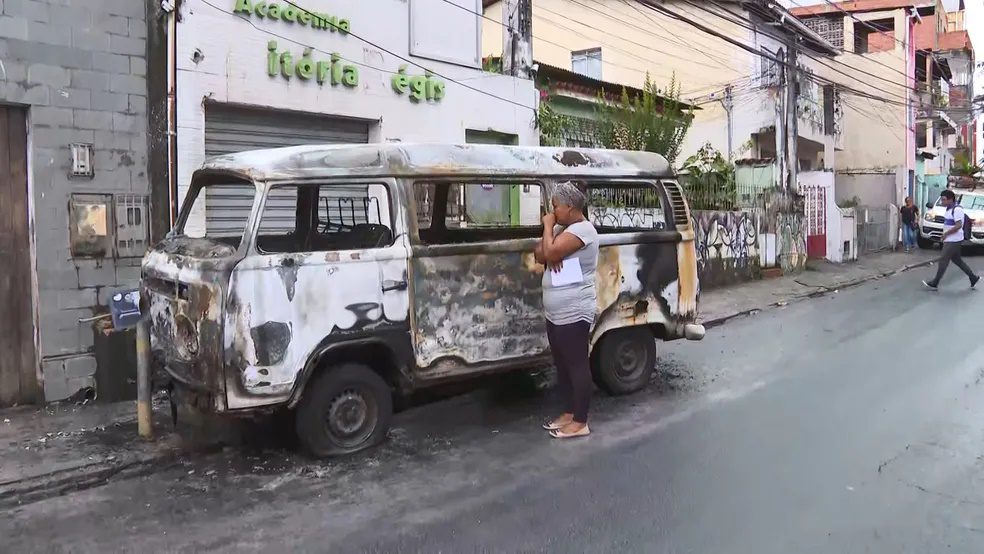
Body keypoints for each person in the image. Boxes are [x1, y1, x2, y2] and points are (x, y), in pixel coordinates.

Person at [534, 181, 598, 439]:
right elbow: (540, 253)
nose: (552, 211)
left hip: (574, 309)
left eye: (555, 207)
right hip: (556, 312)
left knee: (577, 364)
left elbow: (548, 250)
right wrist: (551, 249)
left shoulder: (584, 230)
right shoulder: (565, 228)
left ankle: (581, 421)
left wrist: (548, 228)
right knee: (562, 365)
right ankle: (570, 413)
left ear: (570, 207)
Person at [923, 189, 980, 290]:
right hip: (950, 239)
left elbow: (958, 225)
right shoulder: (949, 209)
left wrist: (946, 234)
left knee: (943, 260)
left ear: (951, 200)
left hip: (954, 240)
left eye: (944, 200)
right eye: (942, 200)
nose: (942, 202)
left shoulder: (957, 210)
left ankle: (935, 282)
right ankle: (973, 277)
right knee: (957, 260)